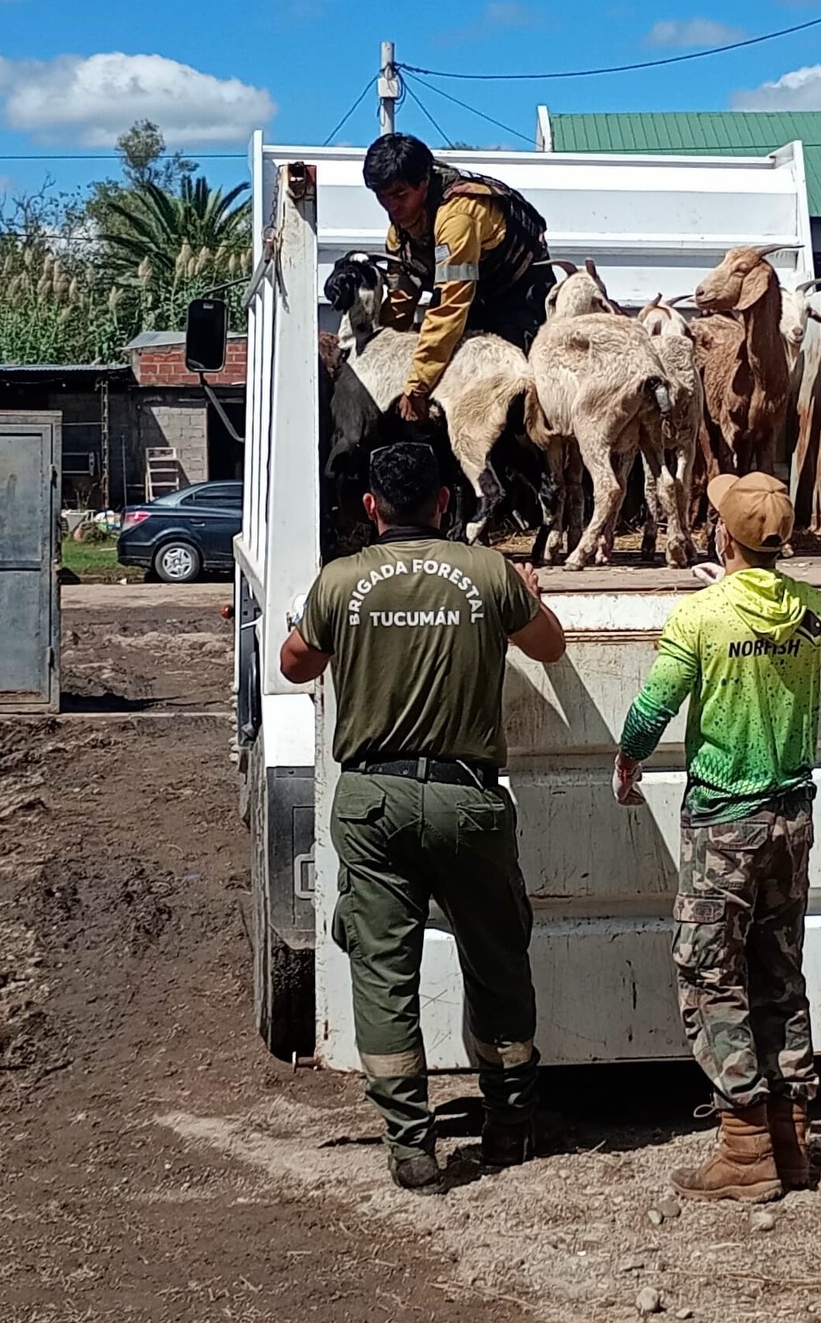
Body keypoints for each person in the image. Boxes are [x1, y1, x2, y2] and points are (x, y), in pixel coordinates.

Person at [279, 440, 566, 1192]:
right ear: (446, 502)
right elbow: (550, 647)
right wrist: (527, 592)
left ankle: (412, 1145)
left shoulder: (339, 582)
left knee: (383, 973)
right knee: (497, 963)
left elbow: (293, 664)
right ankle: (509, 1128)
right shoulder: (488, 574)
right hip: (469, 799)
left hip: (373, 799)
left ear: (370, 508)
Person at [612, 473, 821, 1203]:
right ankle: (791, 1135)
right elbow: (777, 622)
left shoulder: (698, 618)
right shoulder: (816, 613)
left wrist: (629, 754)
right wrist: (737, 587)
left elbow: (655, 706)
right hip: (791, 820)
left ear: (722, 536)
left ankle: (743, 1146)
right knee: (779, 969)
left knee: (711, 974)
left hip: (724, 825)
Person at [362, 132, 556, 424]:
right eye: (381, 196)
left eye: (400, 195)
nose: (391, 207)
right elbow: (402, 298)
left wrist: (417, 387)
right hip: (477, 302)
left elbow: (450, 306)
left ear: (424, 182)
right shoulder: (400, 232)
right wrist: (385, 358)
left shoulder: (458, 217)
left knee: (511, 397)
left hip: (520, 297)